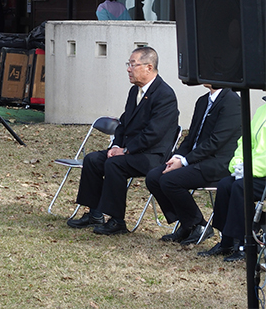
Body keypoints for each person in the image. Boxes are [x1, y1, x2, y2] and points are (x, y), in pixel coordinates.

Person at [67, 46, 179, 235]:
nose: (128, 69)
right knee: (93, 160)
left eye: (133, 64)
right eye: (128, 64)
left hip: (152, 156)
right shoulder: (134, 92)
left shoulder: (165, 95)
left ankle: (117, 220)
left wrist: (125, 151)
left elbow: (153, 134)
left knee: (115, 164)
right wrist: (117, 145)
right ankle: (94, 213)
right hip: (130, 151)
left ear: (148, 67)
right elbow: (123, 123)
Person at [145, 85, 241, 245]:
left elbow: (216, 142)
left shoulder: (232, 101)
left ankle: (198, 225)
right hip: (195, 160)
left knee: (169, 181)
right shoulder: (203, 101)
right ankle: (189, 223)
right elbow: (192, 137)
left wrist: (184, 161)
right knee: (154, 177)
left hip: (217, 163)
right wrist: (178, 156)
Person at [197, 102, 266, 262]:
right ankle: (226, 241)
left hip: (259, 171)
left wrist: (250, 167)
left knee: (240, 188)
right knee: (225, 185)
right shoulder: (262, 109)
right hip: (253, 170)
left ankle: (245, 244)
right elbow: (246, 141)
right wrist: (238, 162)